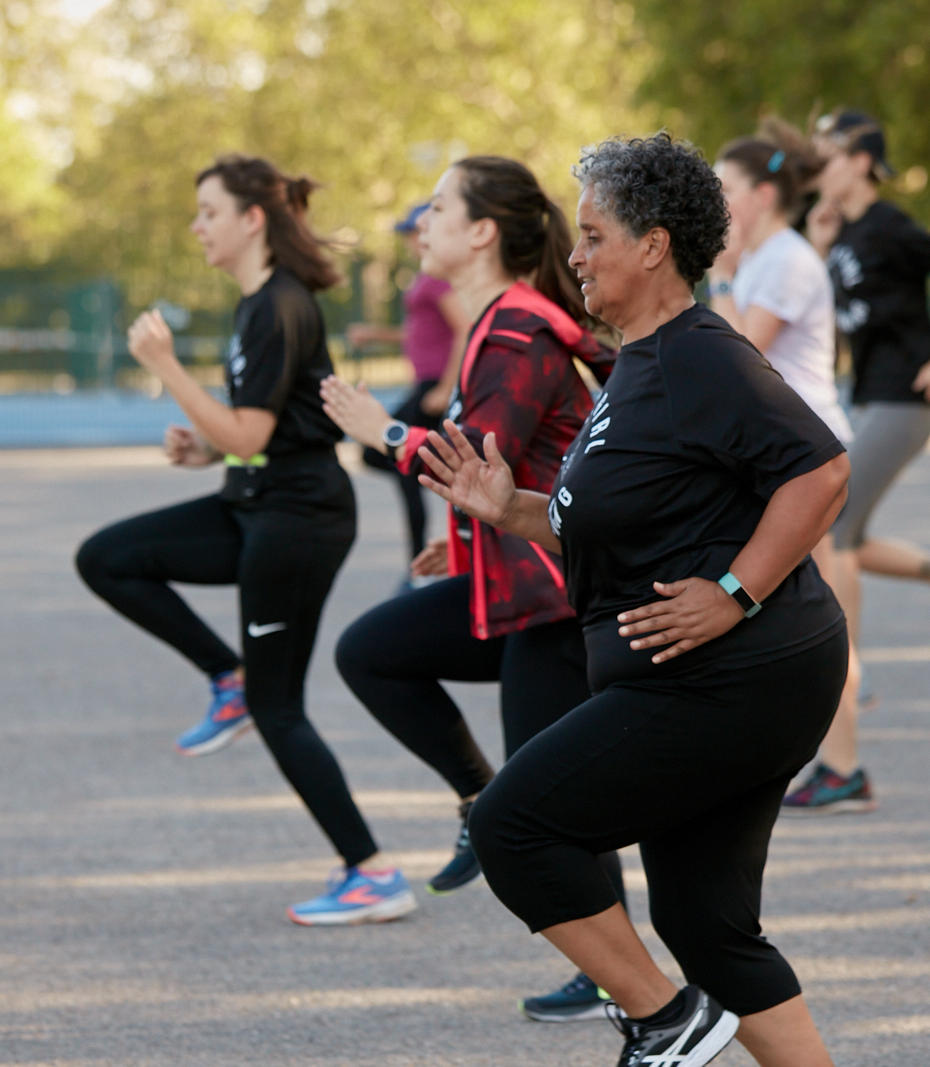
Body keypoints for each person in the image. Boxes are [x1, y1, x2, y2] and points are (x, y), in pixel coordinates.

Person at [420, 132, 851, 1067]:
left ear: (654, 245)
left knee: (513, 823)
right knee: (708, 929)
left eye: (593, 234)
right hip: (722, 678)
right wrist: (512, 509)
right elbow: (614, 524)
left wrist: (736, 591)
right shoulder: (636, 367)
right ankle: (688, 1012)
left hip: (732, 677)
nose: (575, 254)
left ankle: (667, 1022)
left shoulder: (699, 354)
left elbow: (820, 471)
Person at [320, 156, 629, 1023]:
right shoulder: (499, 321)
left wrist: (378, 427)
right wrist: (460, 546)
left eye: (439, 209)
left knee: (551, 803)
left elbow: (479, 464)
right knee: (373, 651)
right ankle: (476, 802)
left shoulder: (517, 331)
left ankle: (623, 978)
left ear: (484, 231)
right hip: (517, 580)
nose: (424, 223)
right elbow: (508, 474)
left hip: (557, 599)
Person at [73, 153, 414, 926]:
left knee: (281, 704)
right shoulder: (257, 304)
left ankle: (372, 873)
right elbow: (258, 432)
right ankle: (225, 679)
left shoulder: (277, 305)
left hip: (298, 523)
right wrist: (208, 447)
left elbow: (251, 428)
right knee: (108, 558)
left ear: (251, 219)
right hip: (256, 502)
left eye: (208, 212)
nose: (197, 226)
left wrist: (166, 368)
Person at [782, 109, 930, 816]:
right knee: (841, 530)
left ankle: (848, 702)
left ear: (861, 161)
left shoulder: (888, 223)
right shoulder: (839, 233)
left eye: (830, 147)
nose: (818, 157)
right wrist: (818, 244)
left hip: (904, 398)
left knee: (831, 530)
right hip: (869, 397)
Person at [706, 117, 866, 781]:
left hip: (806, 461)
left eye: (724, 187)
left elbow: (740, 353)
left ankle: (845, 766)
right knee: (783, 611)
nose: (714, 200)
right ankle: (815, 761)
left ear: (762, 197)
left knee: (818, 614)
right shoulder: (769, 258)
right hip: (776, 461)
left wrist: (716, 272)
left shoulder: (787, 261)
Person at [344, 203, 468, 565]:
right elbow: (422, 334)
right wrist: (377, 335)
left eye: (417, 232)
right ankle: (420, 554)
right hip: (426, 383)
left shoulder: (438, 278)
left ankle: (419, 559)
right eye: (410, 235)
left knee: (385, 451)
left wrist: (445, 389)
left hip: (433, 387)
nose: (413, 241)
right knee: (400, 461)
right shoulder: (425, 278)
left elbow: (463, 328)